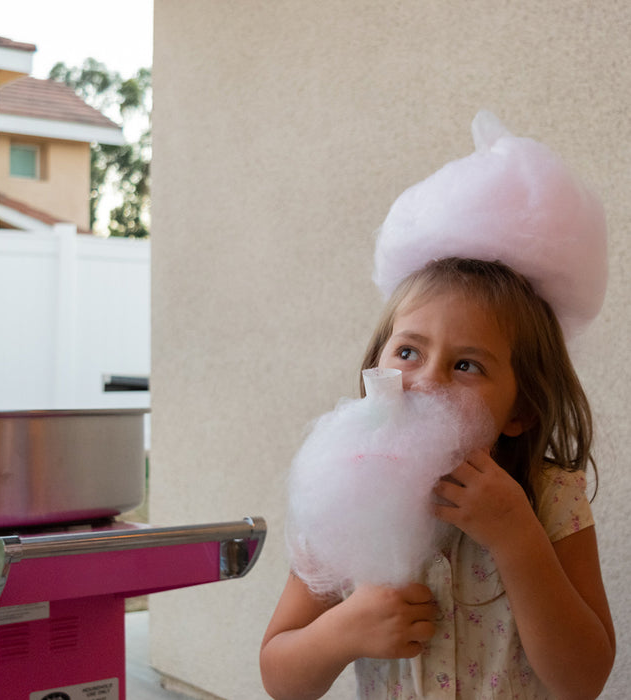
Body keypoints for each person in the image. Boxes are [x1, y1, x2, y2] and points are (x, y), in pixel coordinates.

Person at [260, 113, 615, 699]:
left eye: (467, 365)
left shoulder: (550, 499)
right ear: (377, 366)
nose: (426, 381)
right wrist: (342, 631)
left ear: (522, 409)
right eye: (408, 352)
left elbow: (584, 680)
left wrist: (517, 538)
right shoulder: (345, 492)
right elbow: (280, 676)